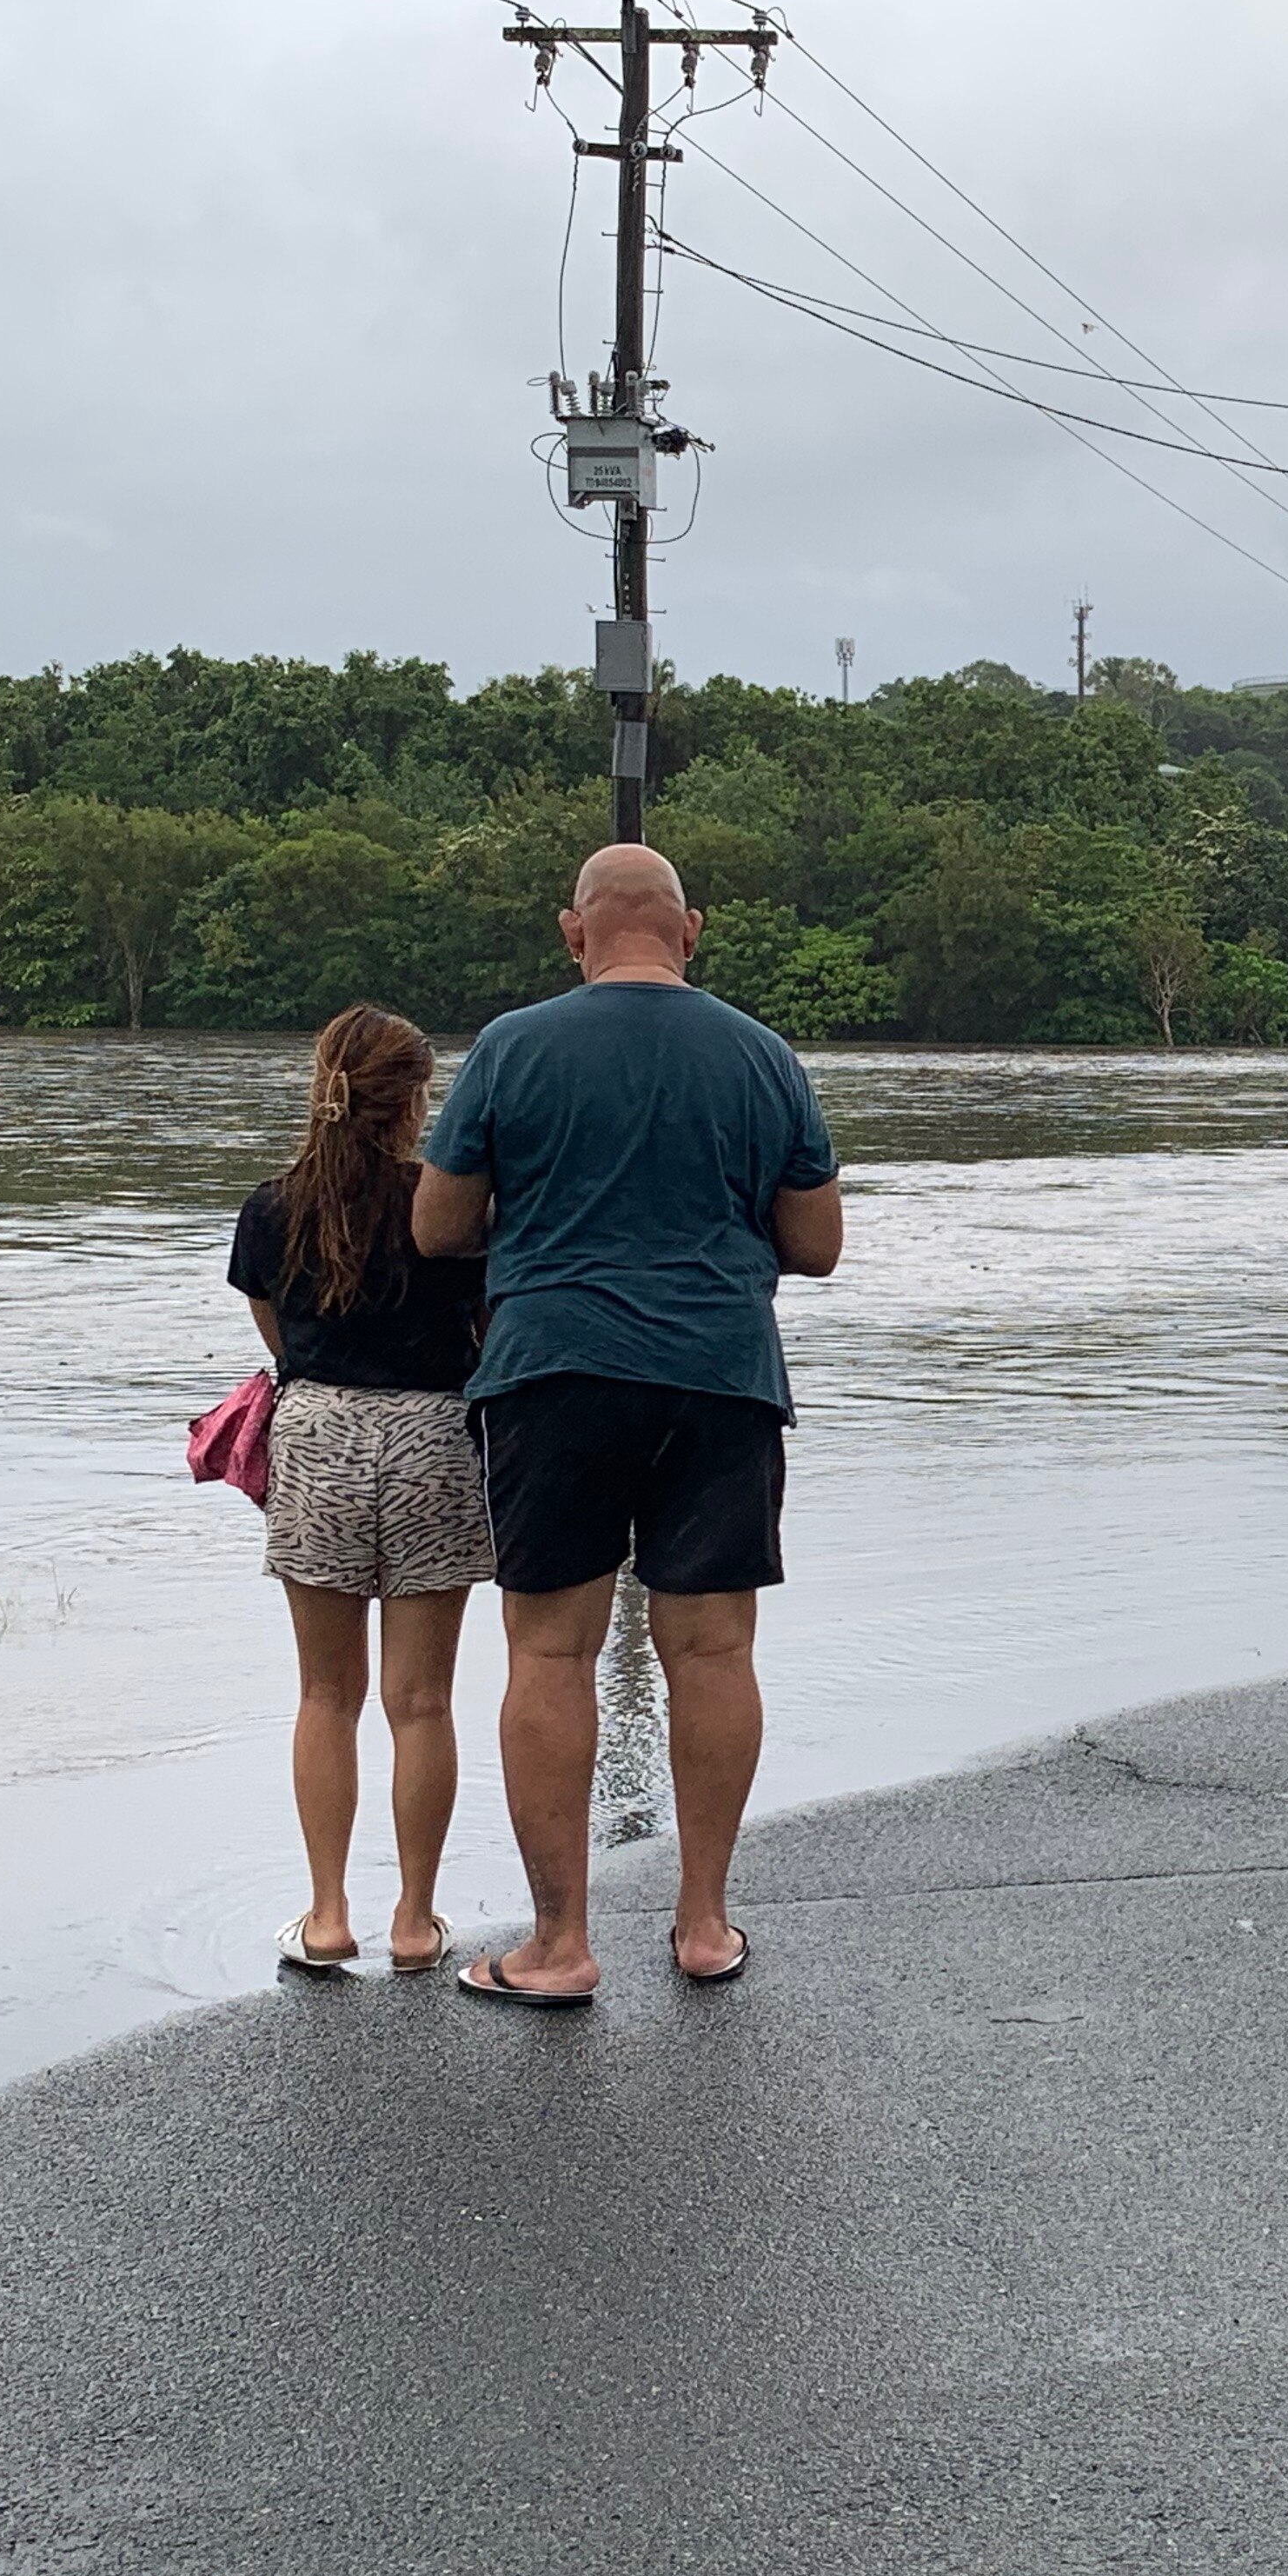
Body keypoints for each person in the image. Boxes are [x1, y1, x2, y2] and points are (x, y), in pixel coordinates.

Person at [413, 843, 843, 2008]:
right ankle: (703, 1923)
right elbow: (817, 1244)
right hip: (719, 1374)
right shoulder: (764, 1057)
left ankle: (558, 1944)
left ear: (573, 931)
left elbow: (438, 1226)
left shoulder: (511, 1048)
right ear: (691, 930)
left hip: (554, 1372)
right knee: (713, 1652)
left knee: (550, 1653)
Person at [228, 1003, 493, 1979]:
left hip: (319, 1433)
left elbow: (280, 1340)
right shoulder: (451, 1209)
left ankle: (328, 1914)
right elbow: (487, 1326)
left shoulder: (271, 1207)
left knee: (324, 1694)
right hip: (431, 1435)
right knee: (421, 1702)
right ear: (418, 1098)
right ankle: (416, 1921)